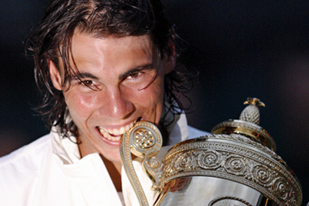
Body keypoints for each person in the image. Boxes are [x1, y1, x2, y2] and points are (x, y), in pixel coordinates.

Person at [0, 0, 208, 205]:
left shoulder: (235, 178)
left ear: (169, 54)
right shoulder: (8, 190)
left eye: (134, 75)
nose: (117, 109)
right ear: (55, 75)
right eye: (88, 82)